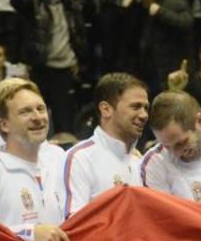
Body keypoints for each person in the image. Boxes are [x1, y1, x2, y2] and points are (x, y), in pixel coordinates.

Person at [0, 78, 70, 241]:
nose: (37, 117)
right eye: (25, 112)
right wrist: (28, 234)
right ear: (4, 124)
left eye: (40, 109)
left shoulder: (59, 162)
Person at [11, 0, 87, 135]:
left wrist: (79, 60)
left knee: (65, 122)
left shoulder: (71, 4)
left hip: (65, 70)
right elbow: (17, 2)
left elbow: (79, 35)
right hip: (39, 68)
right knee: (34, 120)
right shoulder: (31, 0)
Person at [62, 72, 149, 217]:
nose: (144, 115)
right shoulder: (80, 158)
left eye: (146, 108)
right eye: (136, 107)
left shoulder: (140, 162)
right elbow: (75, 223)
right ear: (106, 109)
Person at [126, 0, 192, 94]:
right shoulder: (140, 5)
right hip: (147, 66)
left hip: (168, 66)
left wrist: (161, 12)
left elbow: (186, 23)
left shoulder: (176, 3)